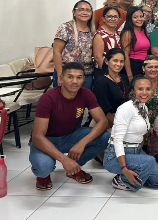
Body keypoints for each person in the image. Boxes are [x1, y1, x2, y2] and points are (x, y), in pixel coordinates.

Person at [30, 62, 110, 191]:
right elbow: (38, 136)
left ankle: (75, 167)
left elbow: (103, 121)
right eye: (70, 77)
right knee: (43, 168)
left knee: (105, 137)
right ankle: (44, 175)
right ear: (61, 78)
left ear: (84, 79)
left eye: (79, 77)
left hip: (70, 137)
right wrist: (63, 160)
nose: (75, 81)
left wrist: (82, 143)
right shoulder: (48, 98)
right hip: (47, 140)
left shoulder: (86, 94)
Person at [103, 76, 158, 191]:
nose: (144, 92)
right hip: (116, 155)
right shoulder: (126, 108)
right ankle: (122, 179)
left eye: (148, 89)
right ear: (133, 91)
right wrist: (123, 167)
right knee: (150, 160)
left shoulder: (143, 107)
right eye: (140, 89)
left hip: (136, 150)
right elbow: (117, 140)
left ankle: (136, 176)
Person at [53, 0, 96, 89]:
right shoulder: (66, 28)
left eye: (88, 10)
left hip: (86, 74)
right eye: (81, 9)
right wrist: (60, 75)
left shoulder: (92, 30)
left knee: (82, 101)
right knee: (64, 101)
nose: (84, 13)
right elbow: (56, 51)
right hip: (67, 74)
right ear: (74, 12)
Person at [92, 48, 129, 129]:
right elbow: (104, 110)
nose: (119, 64)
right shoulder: (102, 82)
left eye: (121, 61)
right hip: (108, 122)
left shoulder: (124, 78)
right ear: (106, 61)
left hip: (124, 119)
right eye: (115, 61)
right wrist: (120, 125)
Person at [121, 6, 150, 81]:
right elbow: (125, 55)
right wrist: (130, 75)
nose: (139, 19)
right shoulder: (128, 33)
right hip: (133, 65)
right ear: (130, 19)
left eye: (141, 16)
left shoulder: (144, 31)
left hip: (145, 65)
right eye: (135, 17)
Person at [142, 55, 158, 132]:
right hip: (141, 122)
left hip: (156, 122)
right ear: (143, 68)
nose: (153, 70)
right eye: (150, 67)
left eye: (156, 67)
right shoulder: (139, 82)